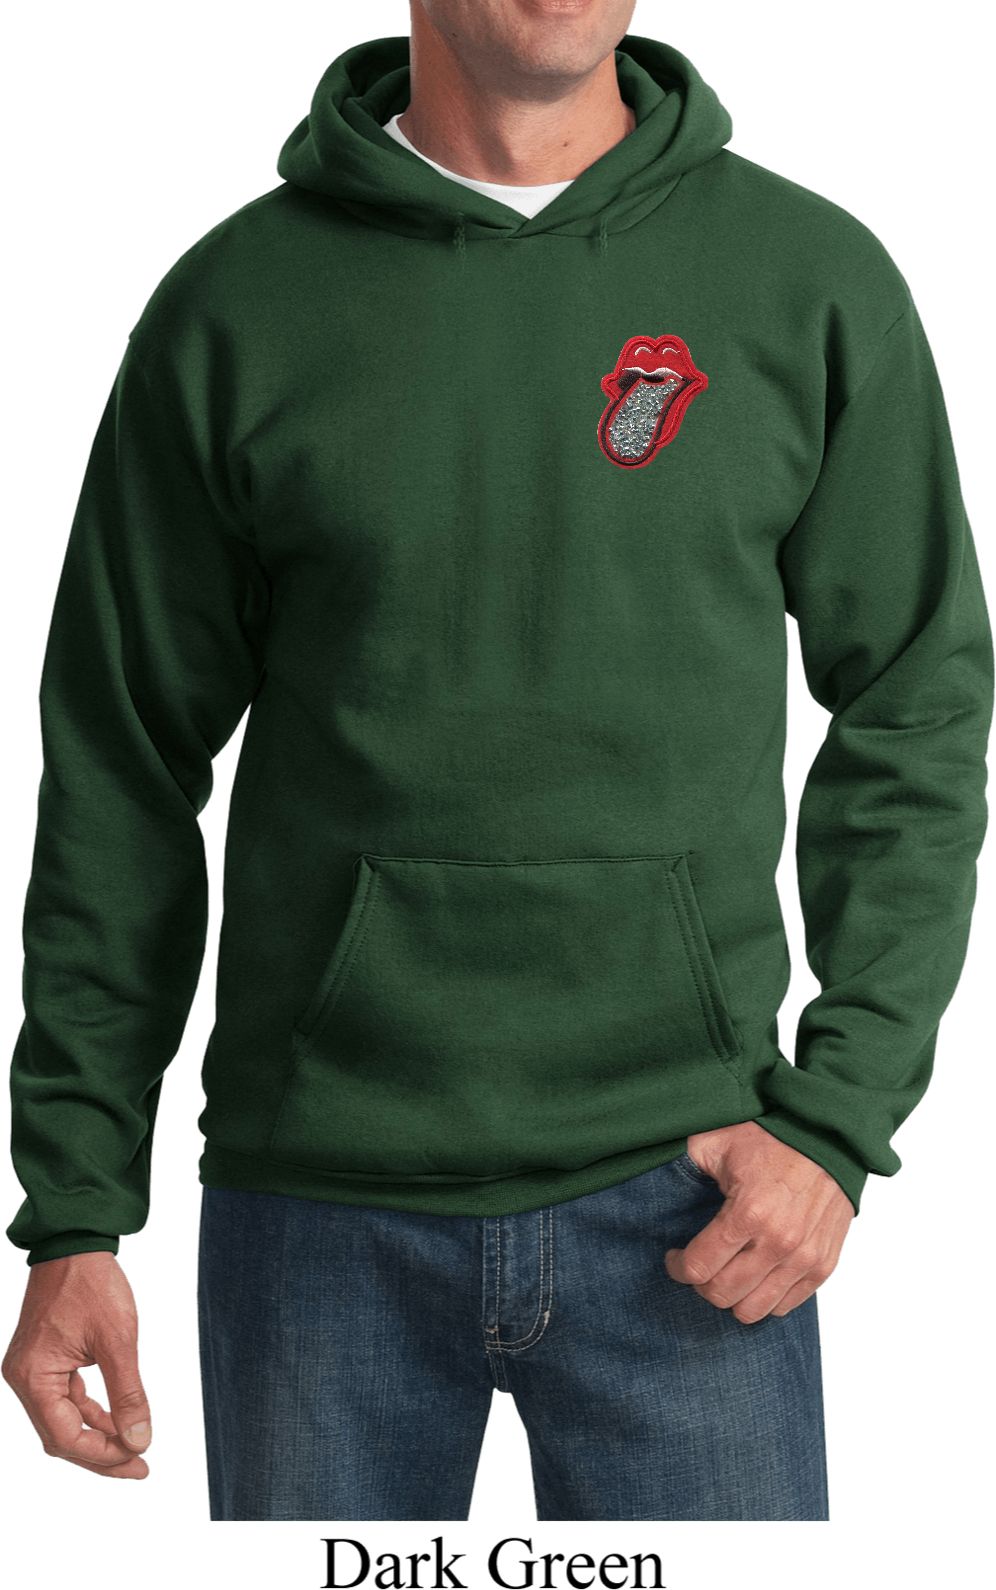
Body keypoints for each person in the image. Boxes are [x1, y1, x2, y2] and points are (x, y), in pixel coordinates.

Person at [2, 0, 991, 1523]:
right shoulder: (236, 306)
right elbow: (120, 766)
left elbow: (919, 702)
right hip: (318, 1209)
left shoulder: (806, 281)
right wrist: (75, 1204)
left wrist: (838, 1124)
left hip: (697, 1191)